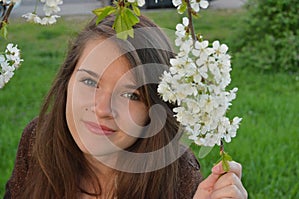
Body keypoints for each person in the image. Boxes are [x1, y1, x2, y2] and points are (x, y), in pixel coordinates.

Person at [4, 14, 247, 199]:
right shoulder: (38, 140)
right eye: (89, 81)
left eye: (132, 95)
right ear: (67, 80)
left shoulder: (178, 173)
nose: (102, 109)